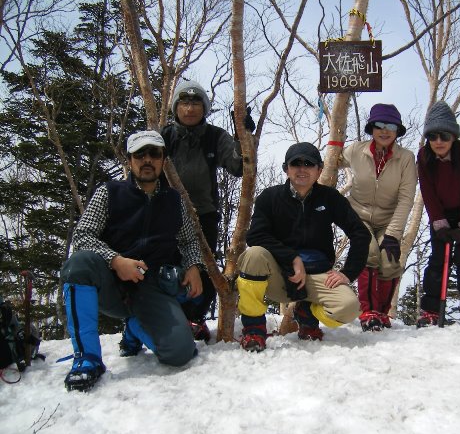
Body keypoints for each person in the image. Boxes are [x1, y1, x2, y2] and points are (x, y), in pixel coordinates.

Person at [60, 130, 204, 391]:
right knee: (79, 263)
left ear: (163, 160)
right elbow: (82, 236)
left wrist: (194, 266)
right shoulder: (109, 193)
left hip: (152, 286)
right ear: (130, 160)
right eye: (140, 154)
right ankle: (87, 359)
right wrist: (115, 260)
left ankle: (135, 327)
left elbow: (188, 241)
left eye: (154, 154)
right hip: (110, 282)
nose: (147, 160)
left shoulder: (174, 201)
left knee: (181, 354)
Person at [236, 142, 371, 352]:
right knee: (253, 255)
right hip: (280, 276)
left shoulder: (330, 198)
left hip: (316, 276)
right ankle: (253, 330)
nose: (302, 169)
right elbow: (256, 235)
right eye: (296, 163)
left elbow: (360, 233)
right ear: (286, 169)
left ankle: (306, 312)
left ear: (319, 170)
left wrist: (348, 272)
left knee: (348, 308)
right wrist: (292, 258)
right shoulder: (270, 198)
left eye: (309, 164)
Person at [161, 80, 255, 342]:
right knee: (165, 264)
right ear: (175, 107)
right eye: (184, 102)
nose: (190, 108)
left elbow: (238, 168)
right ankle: (164, 317)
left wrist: (242, 137)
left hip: (203, 213)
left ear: (204, 108)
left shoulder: (214, 136)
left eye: (196, 103)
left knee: (205, 267)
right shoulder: (165, 136)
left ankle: (195, 318)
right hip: (164, 212)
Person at [340, 103, 417, 331]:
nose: (385, 130)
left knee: (390, 259)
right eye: (380, 125)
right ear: (372, 128)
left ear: (397, 130)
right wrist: (334, 139)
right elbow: (332, 161)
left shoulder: (405, 158)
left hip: (389, 219)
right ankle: (368, 311)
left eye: (391, 126)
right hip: (358, 215)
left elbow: (406, 198)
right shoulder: (356, 150)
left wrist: (393, 233)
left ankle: (382, 314)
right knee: (369, 252)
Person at [416, 101, 460, 327]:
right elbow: (428, 192)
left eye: (444, 136)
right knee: (438, 258)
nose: (438, 142)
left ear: (453, 136)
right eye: (433, 136)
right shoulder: (424, 157)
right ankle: (431, 310)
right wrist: (440, 223)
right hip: (442, 215)